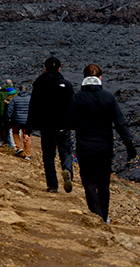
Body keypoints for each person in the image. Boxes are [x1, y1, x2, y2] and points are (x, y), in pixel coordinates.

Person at [72, 64, 137, 224]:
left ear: (84, 78)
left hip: (84, 146)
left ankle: (97, 214)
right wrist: (130, 146)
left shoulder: (77, 98)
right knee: (103, 184)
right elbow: (120, 123)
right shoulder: (109, 97)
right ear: (100, 78)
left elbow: (68, 120)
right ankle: (104, 216)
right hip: (104, 148)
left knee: (88, 183)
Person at [27, 57, 75, 193]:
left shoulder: (39, 84)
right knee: (66, 152)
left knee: (48, 156)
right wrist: (73, 124)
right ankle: (67, 169)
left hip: (46, 126)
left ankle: (53, 185)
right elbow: (73, 106)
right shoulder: (66, 85)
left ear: (45, 68)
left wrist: (28, 129)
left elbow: (33, 107)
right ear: (59, 69)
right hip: (63, 126)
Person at [7, 85, 31, 159]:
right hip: (27, 121)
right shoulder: (30, 98)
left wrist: (8, 118)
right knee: (26, 136)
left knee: (15, 132)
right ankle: (27, 155)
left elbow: (10, 110)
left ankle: (19, 147)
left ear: (19, 91)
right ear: (26, 91)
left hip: (16, 120)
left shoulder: (15, 99)